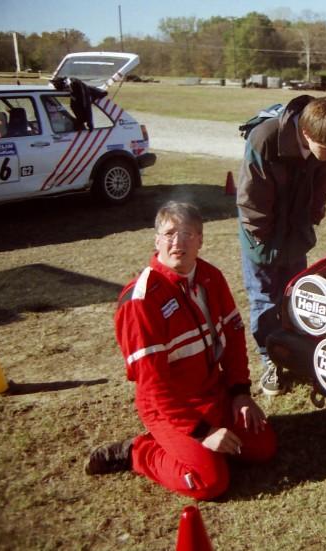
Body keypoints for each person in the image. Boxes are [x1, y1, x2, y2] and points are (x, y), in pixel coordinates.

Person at [85, 201, 276, 501]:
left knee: (263, 448)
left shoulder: (211, 276)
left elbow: (235, 337)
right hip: (168, 407)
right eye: (170, 233)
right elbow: (153, 386)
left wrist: (239, 392)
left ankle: (201, 441)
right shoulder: (141, 299)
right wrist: (203, 432)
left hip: (212, 392)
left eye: (188, 233)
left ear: (200, 240)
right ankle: (138, 451)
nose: (178, 242)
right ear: (157, 240)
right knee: (209, 481)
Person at [237, 95, 326, 395]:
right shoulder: (265, 139)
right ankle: (270, 360)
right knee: (264, 299)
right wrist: (263, 241)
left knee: (296, 296)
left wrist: (308, 223)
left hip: (295, 232)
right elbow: (252, 201)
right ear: (306, 133)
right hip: (261, 234)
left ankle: (297, 353)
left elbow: (321, 192)